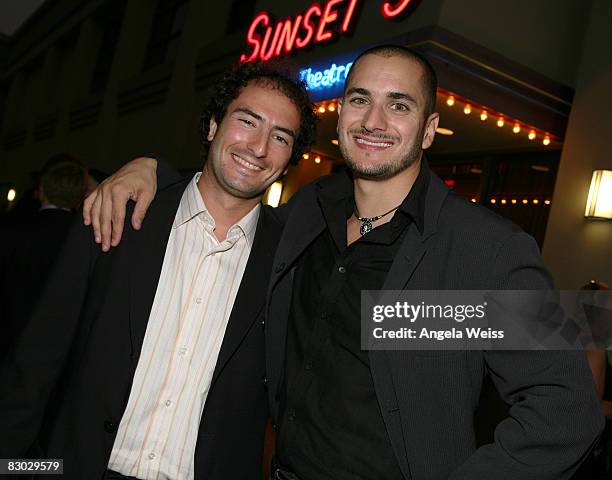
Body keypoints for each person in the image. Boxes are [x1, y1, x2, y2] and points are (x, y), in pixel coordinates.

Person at [83, 46, 604, 480]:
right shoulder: (308, 215)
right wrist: (150, 169)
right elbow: (223, 194)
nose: (374, 121)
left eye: (399, 105)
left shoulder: (484, 249)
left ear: (429, 129)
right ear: (341, 114)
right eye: (360, 100)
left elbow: (566, 408)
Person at [0, 61, 316, 480]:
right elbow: (34, 368)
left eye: (280, 137)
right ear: (212, 126)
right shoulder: (118, 216)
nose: (258, 147)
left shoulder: (293, 258)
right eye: (247, 121)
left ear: (291, 157)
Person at [0, 154, 86, 360]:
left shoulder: (11, 230)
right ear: (79, 195)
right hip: (60, 352)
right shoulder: (86, 239)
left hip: (9, 337)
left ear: (41, 190)